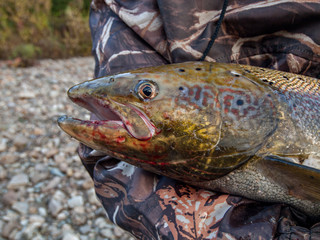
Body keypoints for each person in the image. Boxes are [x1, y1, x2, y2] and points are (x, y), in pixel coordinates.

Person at [79, 0, 320, 239]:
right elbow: (113, 166)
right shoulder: (130, 7)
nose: (146, 95)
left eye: (147, 93)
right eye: (147, 92)